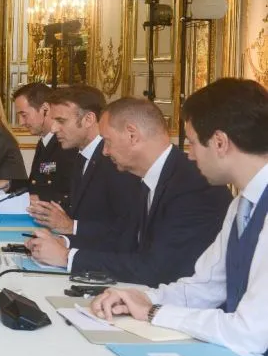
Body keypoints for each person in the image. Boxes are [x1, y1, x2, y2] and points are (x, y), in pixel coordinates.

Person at [92, 79, 268, 356]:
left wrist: (154, 312)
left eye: (194, 142)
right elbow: (204, 288)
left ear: (220, 143)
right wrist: (142, 297)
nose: (189, 153)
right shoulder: (240, 205)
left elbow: (249, 333)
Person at [27, 97, 231, 286]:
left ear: (132, 135)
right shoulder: (150, 176)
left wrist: (67, 257)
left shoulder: (193, 184)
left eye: (107, 141)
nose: (105, 151)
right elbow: (123, 238)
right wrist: (64, 242)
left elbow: (159, 268)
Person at [27, 85, 140, 252]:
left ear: (88, 119)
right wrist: (62, 240)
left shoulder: (114, 160)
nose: (54, 128)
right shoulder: (81, 156)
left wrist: (71, 227)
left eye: (61, 121)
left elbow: (127, 230)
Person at [0, 82, 77, 205]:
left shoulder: (66, 144)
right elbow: (36, 184)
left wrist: (41, 199)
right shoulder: (44, 142)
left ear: (44, 109)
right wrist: (10, 184)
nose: (21, 122)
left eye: (24, 115)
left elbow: (69, 192)